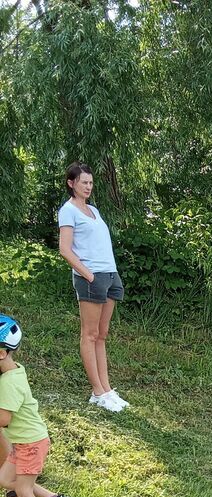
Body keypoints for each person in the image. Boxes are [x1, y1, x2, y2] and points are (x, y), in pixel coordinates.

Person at [58, 162, 128, 413]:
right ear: (71, 183)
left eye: (90, 182)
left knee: (102, 334)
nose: (88, 186)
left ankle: (107, 390)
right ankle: (97, 392)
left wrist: (111, 272)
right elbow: (64, 249)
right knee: (89, 334)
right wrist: (87, 275)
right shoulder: (68, 211)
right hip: (91, 277)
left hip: (109, 275)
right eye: (83, 182)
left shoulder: (94, 211)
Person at [0, 316, 72, 497]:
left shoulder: (9, 383)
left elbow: (3, 419)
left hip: (31, 443)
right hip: (23, 442)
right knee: (4, 478)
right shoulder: (14, 371)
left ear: (2, 353)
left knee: (23, 490)